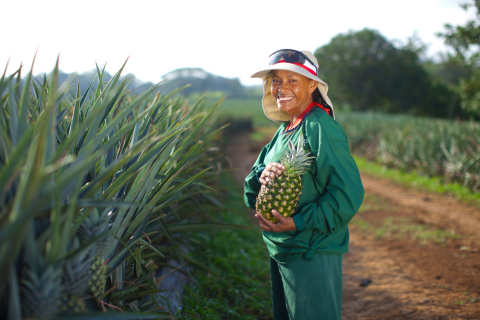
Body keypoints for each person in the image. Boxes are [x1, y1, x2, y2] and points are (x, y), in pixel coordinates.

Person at [243, 49, 364, 320]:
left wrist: (298, 222)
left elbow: (347, 195)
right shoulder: (284, 131)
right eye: (276, 80)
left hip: (311, 252)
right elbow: (251, 194)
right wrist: (263, 175)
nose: (281, 88)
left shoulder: (321, 128)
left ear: (312, 85)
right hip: (282, 249)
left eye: (292, 80)